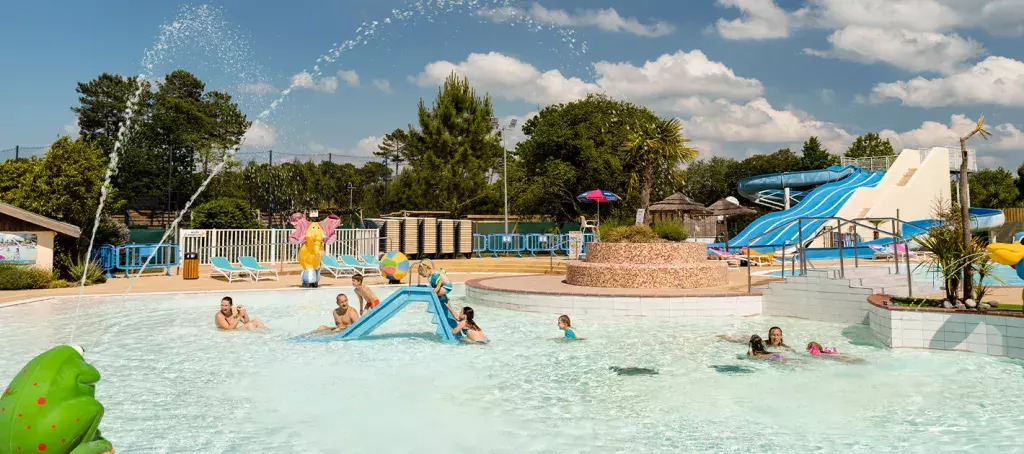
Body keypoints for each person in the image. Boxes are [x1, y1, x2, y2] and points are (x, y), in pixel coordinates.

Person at [718, 326, 795, 352]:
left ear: (781, 336)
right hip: (748, 341)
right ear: (769, 335)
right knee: (736, 341)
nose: (776, 337)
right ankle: (724, 336)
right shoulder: (763, 343)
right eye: (773, 335)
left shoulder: (784, 347)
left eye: (778, 335)